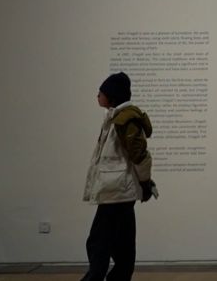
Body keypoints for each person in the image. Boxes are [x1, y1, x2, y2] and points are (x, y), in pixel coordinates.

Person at [82, 72, 157, 281]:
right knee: (121, 243)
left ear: (112, 96)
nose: (98, 95)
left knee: (99, 242)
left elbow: (139, 155)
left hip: (117, 191)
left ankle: (95, 278)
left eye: (102, 92)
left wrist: (145, 183)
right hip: (117, 190)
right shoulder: (116, 117)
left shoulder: (125, 120)